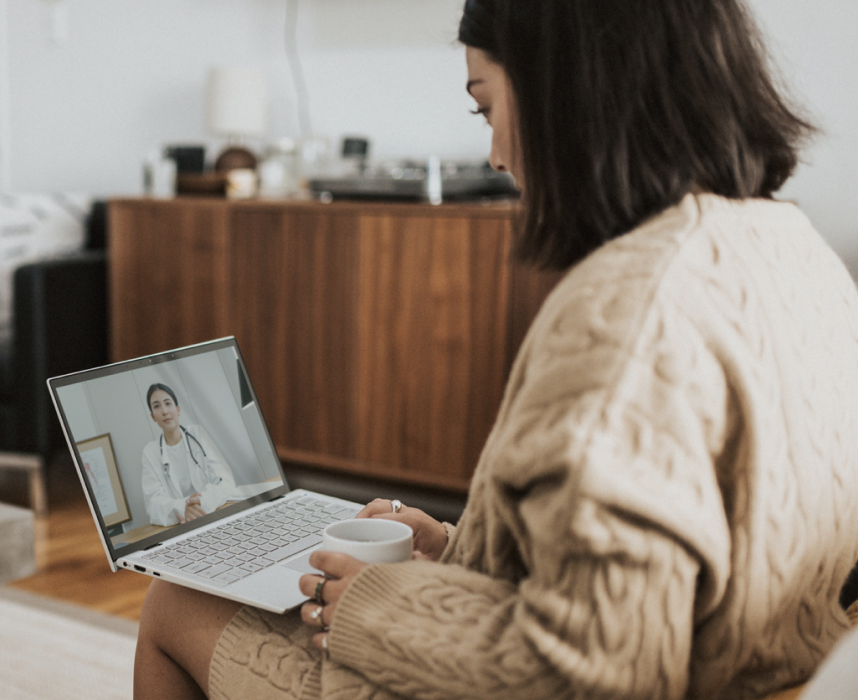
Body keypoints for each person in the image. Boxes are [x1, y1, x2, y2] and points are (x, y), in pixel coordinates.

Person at [132, 0, 858, 698]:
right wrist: (457, 551)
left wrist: (376, 603)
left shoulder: (626, 310)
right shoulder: (798, 252)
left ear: (565, 89)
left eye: (487, 106)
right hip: (773, 669)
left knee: (173, 604)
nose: (498, 154)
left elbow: (600, 668)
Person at [140, 383, 236, 526]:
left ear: (177, 409)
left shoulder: (197, 434)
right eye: (157, 406)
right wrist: (183, 508)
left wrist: (202, 502)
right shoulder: (150, 452)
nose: (164, 411)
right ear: (153, 416)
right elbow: (153, 507)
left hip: (214, 517)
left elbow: (227, 482)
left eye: (167, 403)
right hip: (181, 527)